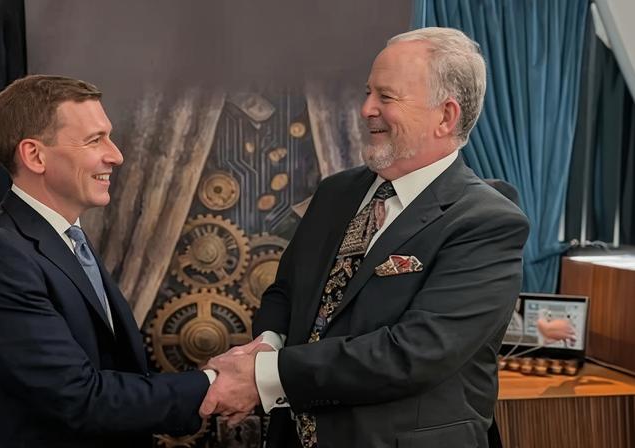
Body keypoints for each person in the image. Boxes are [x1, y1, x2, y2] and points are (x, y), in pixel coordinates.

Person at [200, 27, 530, 448]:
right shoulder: (336, 193)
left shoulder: (487, 222)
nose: (366, 108)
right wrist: (266, 346)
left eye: (386, 97)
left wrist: (265, 376)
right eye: (368, 92)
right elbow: (285, 294)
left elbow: (412, 353)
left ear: (445, 116)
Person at [0, 75, 212, 448]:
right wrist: (214, 386)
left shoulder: (65, 241)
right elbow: (79, 398)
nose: (116, 155)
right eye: (94, 140)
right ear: (35, 155)